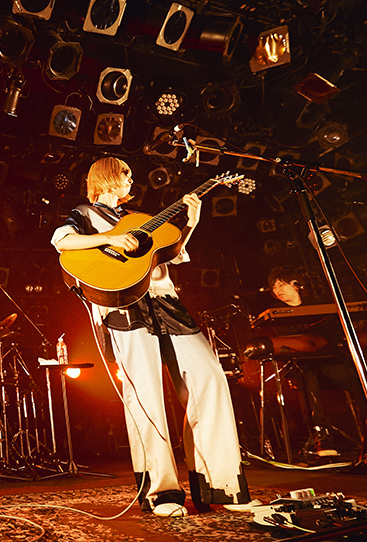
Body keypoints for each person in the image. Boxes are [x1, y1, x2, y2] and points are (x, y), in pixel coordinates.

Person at [52, 157, 249, 517]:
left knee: (210, 377)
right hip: (124, 306)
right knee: (145, 394)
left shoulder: (140, 218)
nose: (131, 181)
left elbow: (170, 254)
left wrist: (191, 223)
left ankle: (220, 485)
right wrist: (112, 238)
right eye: (125, 175)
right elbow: (61, 240)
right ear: (107, 177)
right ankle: (161, 493)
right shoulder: (84, 213)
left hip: (166, 302)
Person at [263, 266, 367, 460]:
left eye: (281, 285)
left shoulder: (318, 305)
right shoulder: (278, 313)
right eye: (274, 287)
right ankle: (321, 433)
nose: (277, 290)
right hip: (304, 364)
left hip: (329, 360)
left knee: (359, 380)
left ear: (296, 285)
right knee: (308, 378)